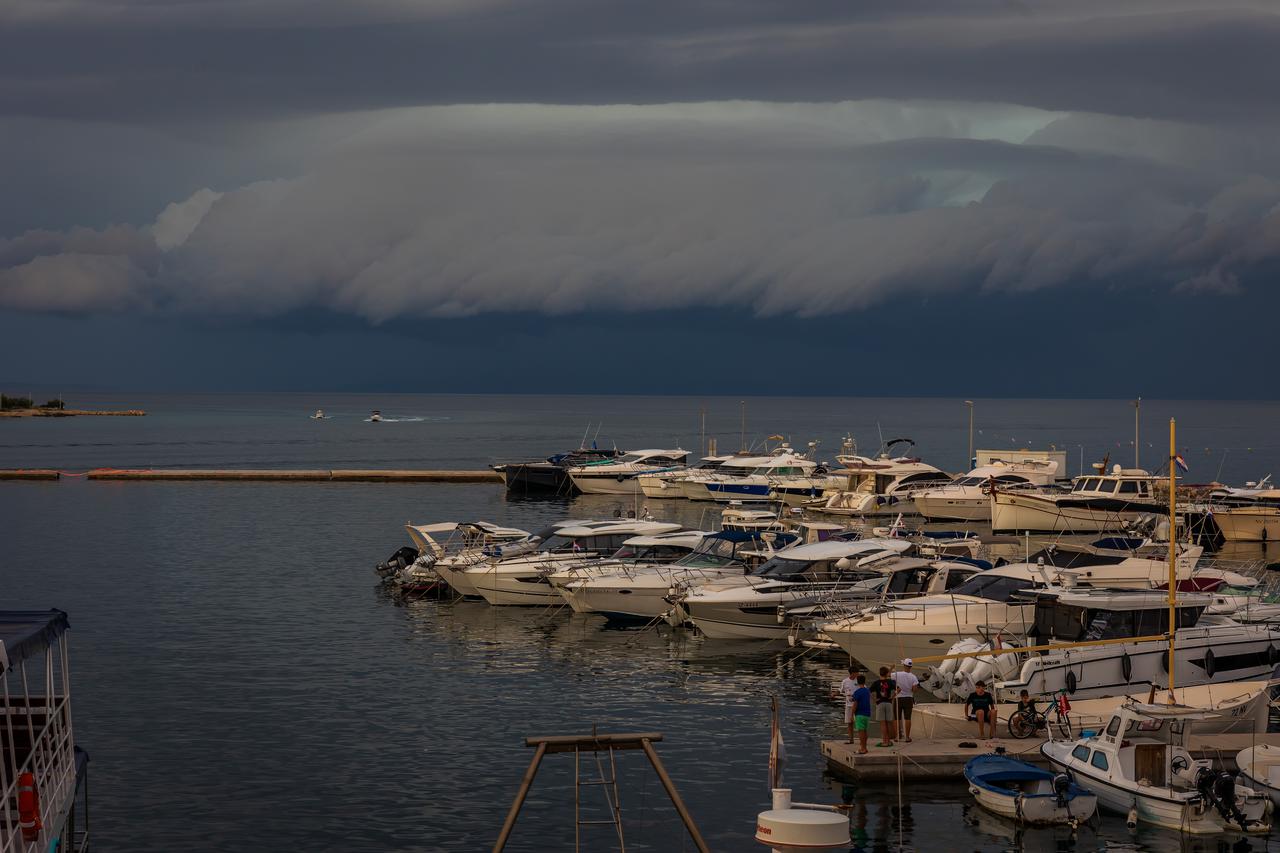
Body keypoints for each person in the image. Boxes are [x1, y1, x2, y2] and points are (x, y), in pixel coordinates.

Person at [892, 658, 919, 743]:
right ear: (910, 666)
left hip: (898, 698)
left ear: (904, 665)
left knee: (897, 718)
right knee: (908, 718)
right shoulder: (914, 677)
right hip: (909, 698)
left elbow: (887, 675)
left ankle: (897, 737)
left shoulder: (897, 674)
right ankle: (907, 737)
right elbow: (914, 689)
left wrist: (891, 668)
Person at [870, 666, 898, 747]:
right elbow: (898, 689)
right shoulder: (890, 682)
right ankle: (888, 741)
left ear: (880, 673)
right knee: (889, 722)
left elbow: (869, 691)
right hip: (888, 703)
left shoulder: (876, 683)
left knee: (882, 723)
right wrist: (892, 697)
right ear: (887, 674)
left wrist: (875, 699)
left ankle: (884, 741)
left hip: (880, 703)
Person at [851, 675, 871, 754]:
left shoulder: (857, 692)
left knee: (861, 732)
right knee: (865, 731)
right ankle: (865, 747)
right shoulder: (867, 691)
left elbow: (855, 704)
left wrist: (852, 715)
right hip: (867, 714)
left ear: (857, 682)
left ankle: (863, 749)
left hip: (860, 714)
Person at [840, 665, 860, 743]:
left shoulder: (859, 680)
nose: (858, 674)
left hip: (858, 704)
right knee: (849, 722)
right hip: (848, 705)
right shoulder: (845, 681)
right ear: (852, 673)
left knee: (859, 722)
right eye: (856, 673)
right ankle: (851, 739)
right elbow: (841, 690)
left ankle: (861, 738)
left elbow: (864, 688)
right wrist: (834, 693)